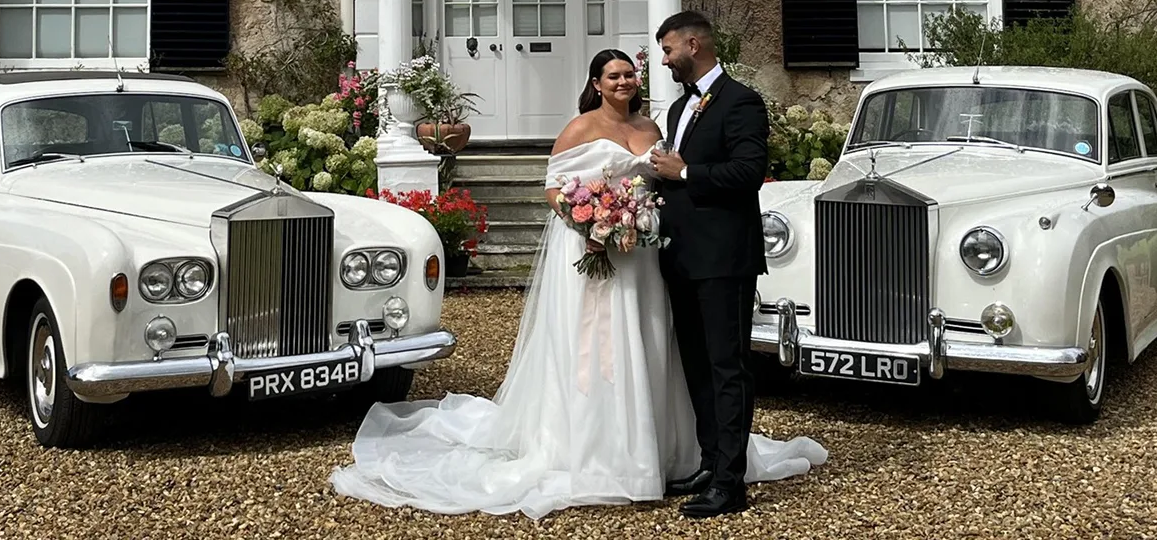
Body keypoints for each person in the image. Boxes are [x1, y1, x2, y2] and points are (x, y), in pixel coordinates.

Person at [328, 44, 825, 521]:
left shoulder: (657, 124)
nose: (626, 81)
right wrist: (588, 225)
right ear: (596, 84)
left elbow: (667, 183)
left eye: (631, 74)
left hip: (643, 259)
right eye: (615, 76)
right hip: (595, 252)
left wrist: (633, 219)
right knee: (600, 349)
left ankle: (670, 452)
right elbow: (553, 187)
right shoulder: (579, 129)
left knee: (653, 344)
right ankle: (598, 452)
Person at [644, 10, 776, 518]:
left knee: (727, 368)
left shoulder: (741, 102)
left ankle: (731, 482)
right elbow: (671, 178)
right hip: (681, 256)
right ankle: (709, 460)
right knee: (696, 365)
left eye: (669, 49)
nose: (665, 59)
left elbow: (748, 171)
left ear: (694, 44)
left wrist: (687, 170)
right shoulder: (679, 110)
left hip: (724, 258)